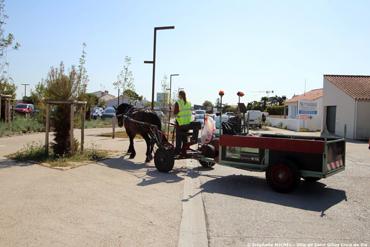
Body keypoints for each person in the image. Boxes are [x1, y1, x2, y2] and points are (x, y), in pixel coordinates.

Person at [173, 90, 199, 155]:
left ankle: (177, 150)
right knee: (184, 137)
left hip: (180, 124)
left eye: (178, 95)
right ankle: (184, 150)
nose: (178, 96)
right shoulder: (189, 103)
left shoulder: (178, 103)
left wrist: (175, 114)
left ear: (180, 95)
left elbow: (175, 113)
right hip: (187, 124)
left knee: (178, 138)